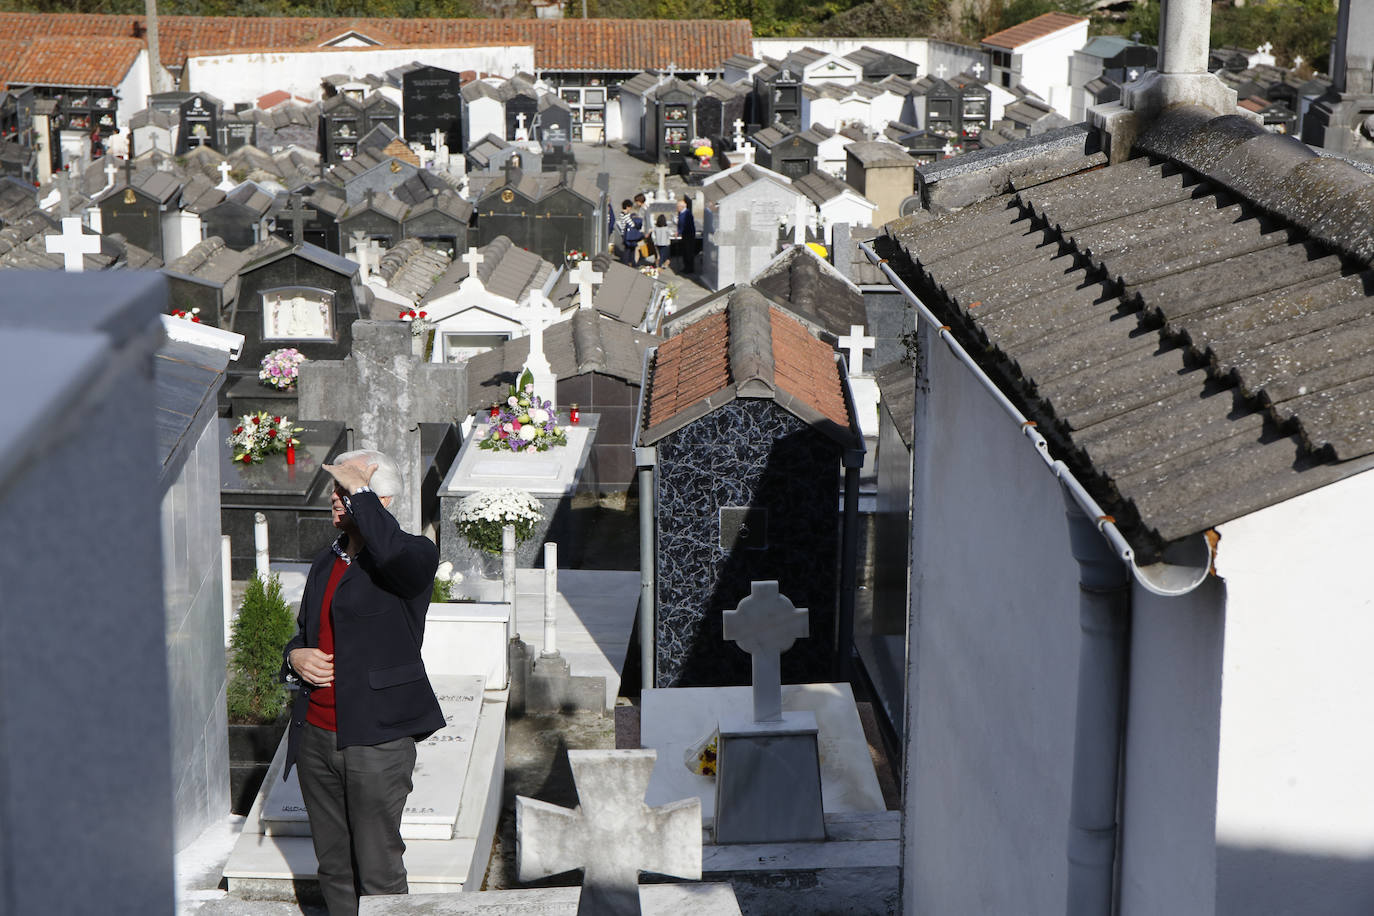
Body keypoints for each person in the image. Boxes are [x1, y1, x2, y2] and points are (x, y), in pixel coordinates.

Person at [281, 449, 445, 916]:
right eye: (335, 491)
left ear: (380, 499)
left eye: (346, 491)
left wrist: (361, 492)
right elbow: (304, 632)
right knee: (333, 866)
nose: (335, 500)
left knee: (378, 869)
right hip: (316, 734)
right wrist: (295, 656)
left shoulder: (413, 554)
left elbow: (389, 551)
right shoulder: (324, 562)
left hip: (376, 739)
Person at [616, 198, 644, 266]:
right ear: (627, 206)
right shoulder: (625, 215)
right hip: (628, 235)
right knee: (629, 249)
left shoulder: (622, 214)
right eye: (630, 207)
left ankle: (630, 262)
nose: (630, 209)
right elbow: (631, 224)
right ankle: (628, 262)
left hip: (625, 234)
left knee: (629, 249)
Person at [675, 197, 696, 274]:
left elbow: (685, 224)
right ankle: (686, 267)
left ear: (682, 207)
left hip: (689, 235)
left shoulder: (687, 214)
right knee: (684, 251)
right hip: (685, 234)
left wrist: (679, 231)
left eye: (678, 207)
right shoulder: (681, 213)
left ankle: (689, 268)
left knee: (688, 252)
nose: (677, 208)